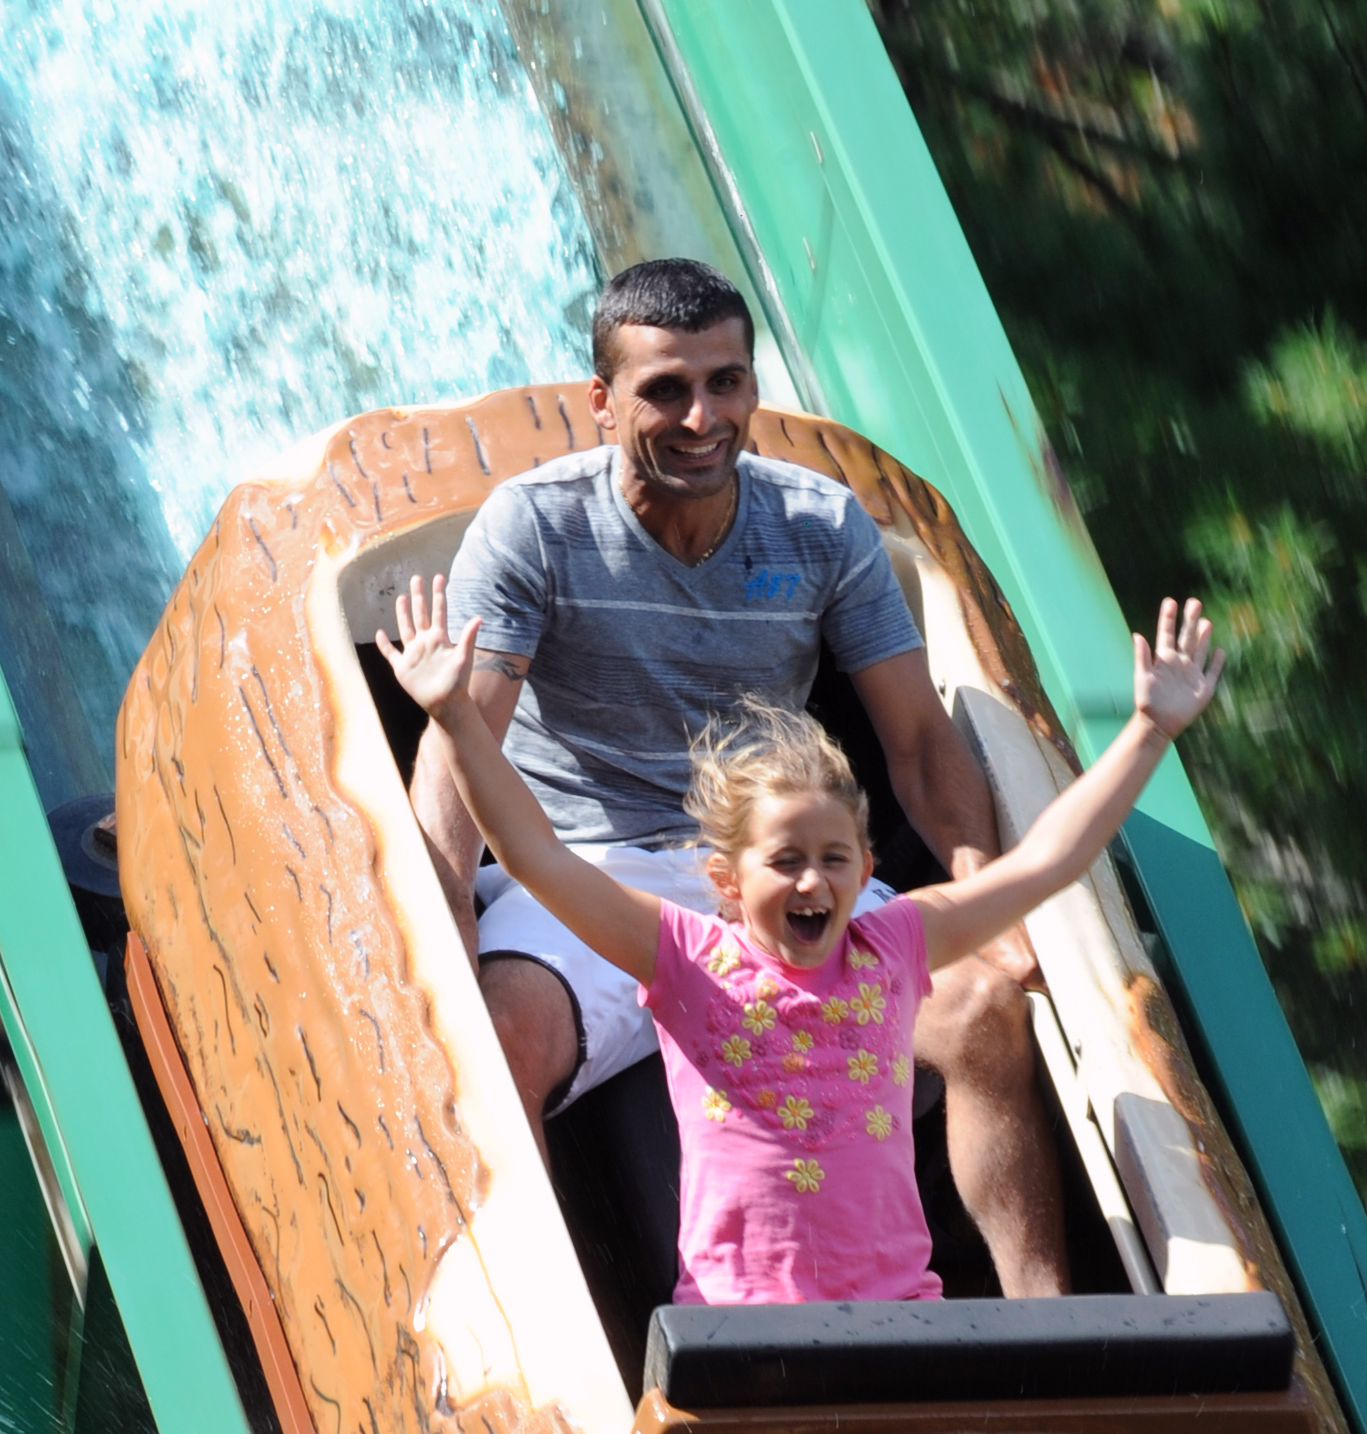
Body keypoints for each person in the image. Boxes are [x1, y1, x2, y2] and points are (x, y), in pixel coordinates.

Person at [412, 255, 1069, 1295]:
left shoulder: (819, 526)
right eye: (665, 388)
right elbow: (461, 745)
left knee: (983, 1016)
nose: (701, 416)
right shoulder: (534, 526)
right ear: (602, 401)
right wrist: (440, 925)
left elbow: (920, 740)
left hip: (773, 869)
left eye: (726, 382)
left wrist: (985, 885)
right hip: (593, 878)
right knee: (495, 1040)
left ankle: (1054, 1337)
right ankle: (557, 1373)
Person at [382, 576, 1224, 1307]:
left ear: (864, 872)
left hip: (896, 1310)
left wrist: (1149, 731)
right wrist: (455, 715)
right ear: (727, 883)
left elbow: (1046, 862)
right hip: (743, 1320)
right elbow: (535, 854)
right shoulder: (687, 957)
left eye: (833, 861)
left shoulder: (892, 945)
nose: (813, 883)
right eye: (785, 862)